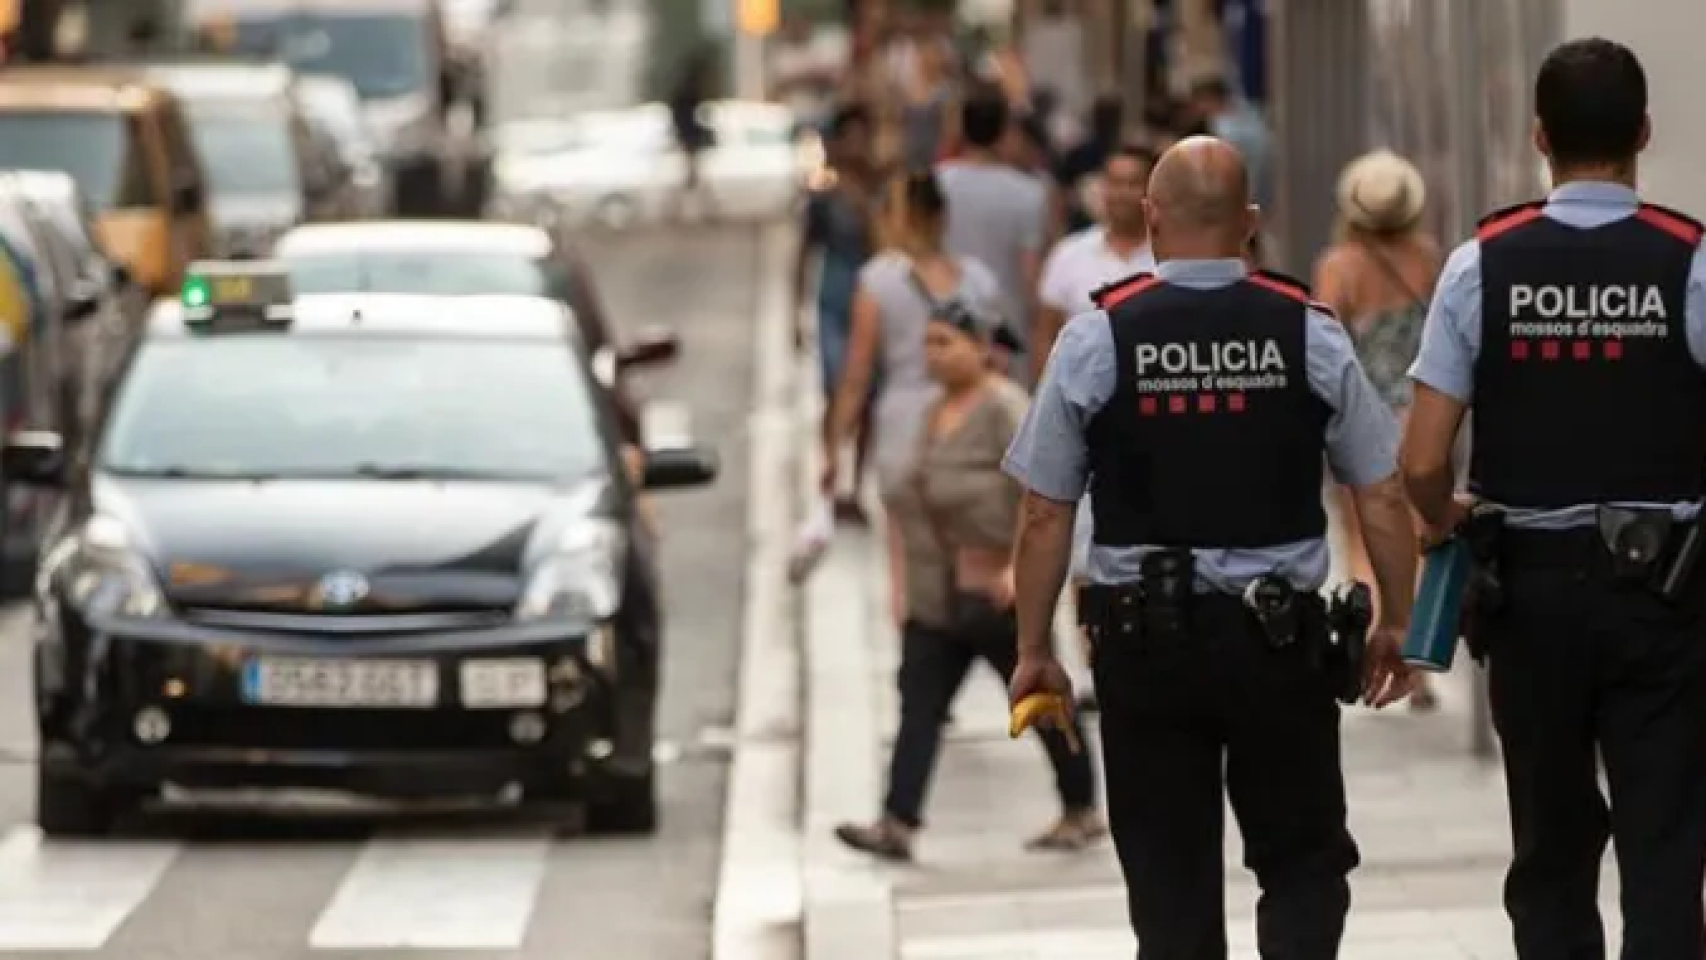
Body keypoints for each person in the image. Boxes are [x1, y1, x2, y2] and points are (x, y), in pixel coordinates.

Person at [1003, 137, 1417, 958]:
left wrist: (1031, 649)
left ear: (1151, 218)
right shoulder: (1307, 331)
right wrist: (1398, 622)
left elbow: (1046, 511)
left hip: (1144, 646)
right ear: (1251, 224)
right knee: (1302, 861)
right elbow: (1382, 488)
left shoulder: (1099, 337)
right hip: (1282, 646)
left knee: (1168, 880)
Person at [1401, 38, 1706, 959]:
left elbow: (1421, 458)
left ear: (1539, 136)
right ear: (1643, 133)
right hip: (1669, 595)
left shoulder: (1479, 265)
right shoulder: (1690, 259)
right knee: (1665, 842)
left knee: (1549, 846)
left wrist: (1447, 520)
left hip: (1529, 596)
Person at [832, 276, 1104, 860]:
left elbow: (1046, 495)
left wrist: (1018, 570)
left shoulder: (1006, 407)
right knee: (919, 704)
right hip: (938, 593)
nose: (934, 354)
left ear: (983, 346)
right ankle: (897, 821)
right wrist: (901, 585)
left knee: (1037, 696)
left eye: (946, 342)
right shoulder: (933, 413)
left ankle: (1081, 806)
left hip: (995, 590)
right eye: (928, 343)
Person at [821, 171, 1004, 624]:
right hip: (970, 424)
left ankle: (918, 646)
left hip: (902, 425)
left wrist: (832, 449)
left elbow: (856, 376)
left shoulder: (878, 281)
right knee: (974, 547)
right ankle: (975, 629)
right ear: (942, 216)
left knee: (905, 554)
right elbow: (997, 361)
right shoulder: (978, 280)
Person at [1313, 149, 1443, 710]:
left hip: (1359, 412)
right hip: (1417, 411)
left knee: (1361, 529)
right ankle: (1420, 654)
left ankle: (1374, 644)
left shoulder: (1338, 264)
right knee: (1415, 535)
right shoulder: (1427, 257)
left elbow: (1326, 339)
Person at [797, 103, 879, 524]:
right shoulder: (823, 194)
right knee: (835, 388)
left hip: (872, 298)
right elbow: (804, 250)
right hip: (834, 295)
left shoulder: (881, 189)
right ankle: (830, 471)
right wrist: (797, 310)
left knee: (867, 397)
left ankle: (856, 484)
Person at [938, 88, 1050, 385]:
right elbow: (1030, 278)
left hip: (944, 324)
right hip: (1004, 332)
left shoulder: (936, 184)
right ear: (1004, 131)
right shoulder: (1029, 194)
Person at [1186, 74, 1271, 208]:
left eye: (1198, 102)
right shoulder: (1254, 120)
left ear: (1210, 99)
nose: (1195, 109)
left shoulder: (1219, 129)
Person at [668, 47, 718, 219]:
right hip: (688, 134)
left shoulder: (685, 90)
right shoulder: (688, 91)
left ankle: (684, 209)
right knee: (691, 175)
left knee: (692, 175)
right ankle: (684, 209)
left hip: (688, 134)